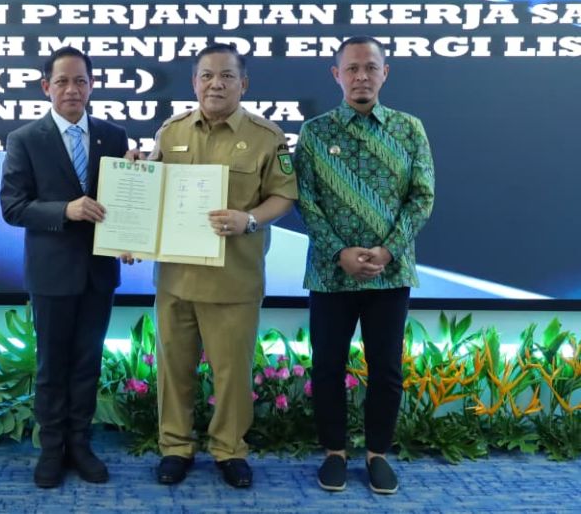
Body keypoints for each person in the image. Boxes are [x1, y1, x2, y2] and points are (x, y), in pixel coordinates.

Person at [148, 43, 297, 489]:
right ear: (195, 82)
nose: (216, 84)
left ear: (243, 84)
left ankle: (229, 449)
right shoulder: (170, 131)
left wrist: (248, 219)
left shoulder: (267, 137)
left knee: (231, 375)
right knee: (173, 370)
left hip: (234, 280)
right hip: (176, 278)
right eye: (207, 76)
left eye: (227, 76)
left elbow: (284, 195)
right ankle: (175, 447)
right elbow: (149, 192)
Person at [294, 35, 434, 495]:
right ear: (336, 75)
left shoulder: (409, 129)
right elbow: (305, 200)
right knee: (327, 366)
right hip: (330, 274)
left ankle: (377, 454)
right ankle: (334, 452)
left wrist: (388, 251)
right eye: (352, 68)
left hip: (389, 274)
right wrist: (340, 252)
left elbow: (422, 197)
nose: (361, 77)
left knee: (386, 368)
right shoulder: (315, 132)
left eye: (370, 68)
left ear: (384, 73)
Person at [0, 47, 129, 488]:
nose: (72, 89)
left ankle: (80, 444)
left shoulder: (113, 136)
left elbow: (125, 201)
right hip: (51, 273)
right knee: (52, 366)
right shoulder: (25, 139)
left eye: (80, 81)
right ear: (46, 87)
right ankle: (51, 447)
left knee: (88, 362)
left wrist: (134, 233)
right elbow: (13, 207)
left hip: (99, 272)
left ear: (92, 86)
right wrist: (65, 210)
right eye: (62, 82)